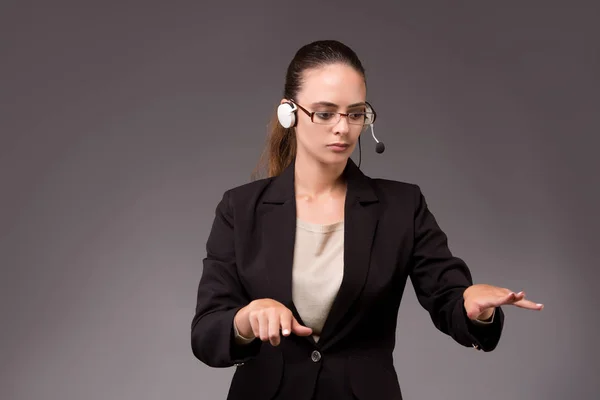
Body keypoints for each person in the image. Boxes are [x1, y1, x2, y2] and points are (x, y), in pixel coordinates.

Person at [190, 39, 544, 400]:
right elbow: (206, 333)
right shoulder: (241, 208)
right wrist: (246, 320)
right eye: (325, 113)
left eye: (355, 113)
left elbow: (448, 297)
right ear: (289, 112)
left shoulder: (402, 206)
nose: (343, 128)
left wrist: (473, 308)